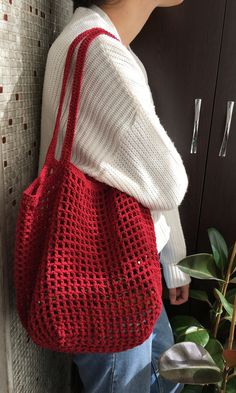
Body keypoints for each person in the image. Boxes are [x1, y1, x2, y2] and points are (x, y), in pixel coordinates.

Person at [38, 0, 191, 392]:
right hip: (107, 281)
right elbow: (168, 180)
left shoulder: (110, 48)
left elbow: (139, 176)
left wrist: (172, 262)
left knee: (166, 378)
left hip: (129, 267)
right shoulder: (100, 53)